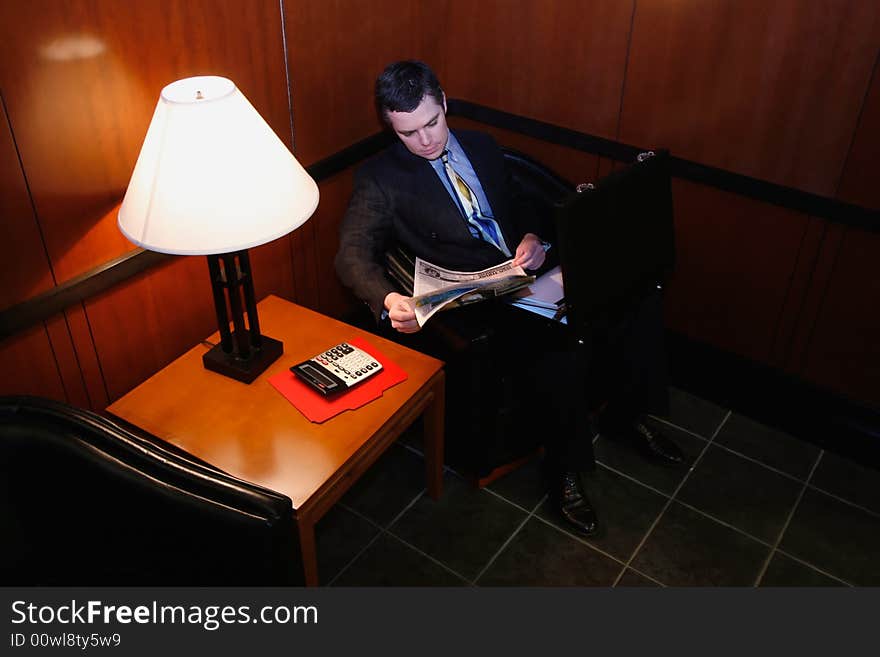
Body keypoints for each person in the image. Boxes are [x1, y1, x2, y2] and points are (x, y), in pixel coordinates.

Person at [335, 60, 683, 537]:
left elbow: (517, 205)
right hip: (478, 297)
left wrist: (533, 236)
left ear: (445, 103)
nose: (427, 140)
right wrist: (387, 298)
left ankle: (627, 415)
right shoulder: (380, 177)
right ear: (391, 126)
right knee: (557, 347)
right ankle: (563, 472)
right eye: (409, 132)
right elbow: (351, 255)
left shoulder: (479, 145)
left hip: (525, 269)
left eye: (432, 122)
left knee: (633, 290)